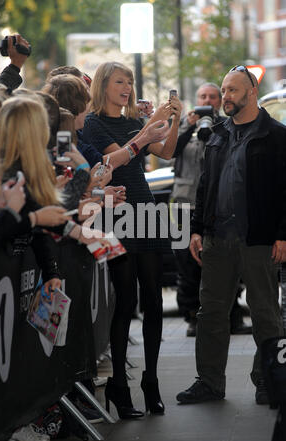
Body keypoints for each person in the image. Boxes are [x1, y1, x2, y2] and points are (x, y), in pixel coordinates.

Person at [176, 66, 286, 406]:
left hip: (259, 238)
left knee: (265, 312)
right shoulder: (219, 133)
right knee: (210, 313)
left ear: (251, 92)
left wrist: (282, 235)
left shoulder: (276, 135)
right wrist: (196, 229)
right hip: (217, 238)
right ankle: (209, 382)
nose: (225, 97)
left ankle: (269, 381)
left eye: (232, 90)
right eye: (223, 90)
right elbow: (204, 184)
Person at [83, 61, 182, 419]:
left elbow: (167, 153)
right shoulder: (94, 123)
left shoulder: (133, 122)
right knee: (127, 300)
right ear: (104, 85)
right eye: (120, 81)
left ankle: (151, 382)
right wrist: (146, 132)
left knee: (154, 298)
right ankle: (119, 386)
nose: (126, 87)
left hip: (147, 210)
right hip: (117, 213)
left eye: (130, 82)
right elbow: (113, 160)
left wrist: (172, 123)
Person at [171, 83, 251, 336]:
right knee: (187, 264)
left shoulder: (228, 126)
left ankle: (232, 315)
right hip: (185, 204)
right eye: (203, 97)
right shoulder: (184, 125)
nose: (208, 100)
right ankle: (193, 317)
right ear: (196, 100)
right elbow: (168, 153)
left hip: (218, 204)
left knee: (226, 260)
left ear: (219, 101)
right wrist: (188, 127)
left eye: (213, 97)